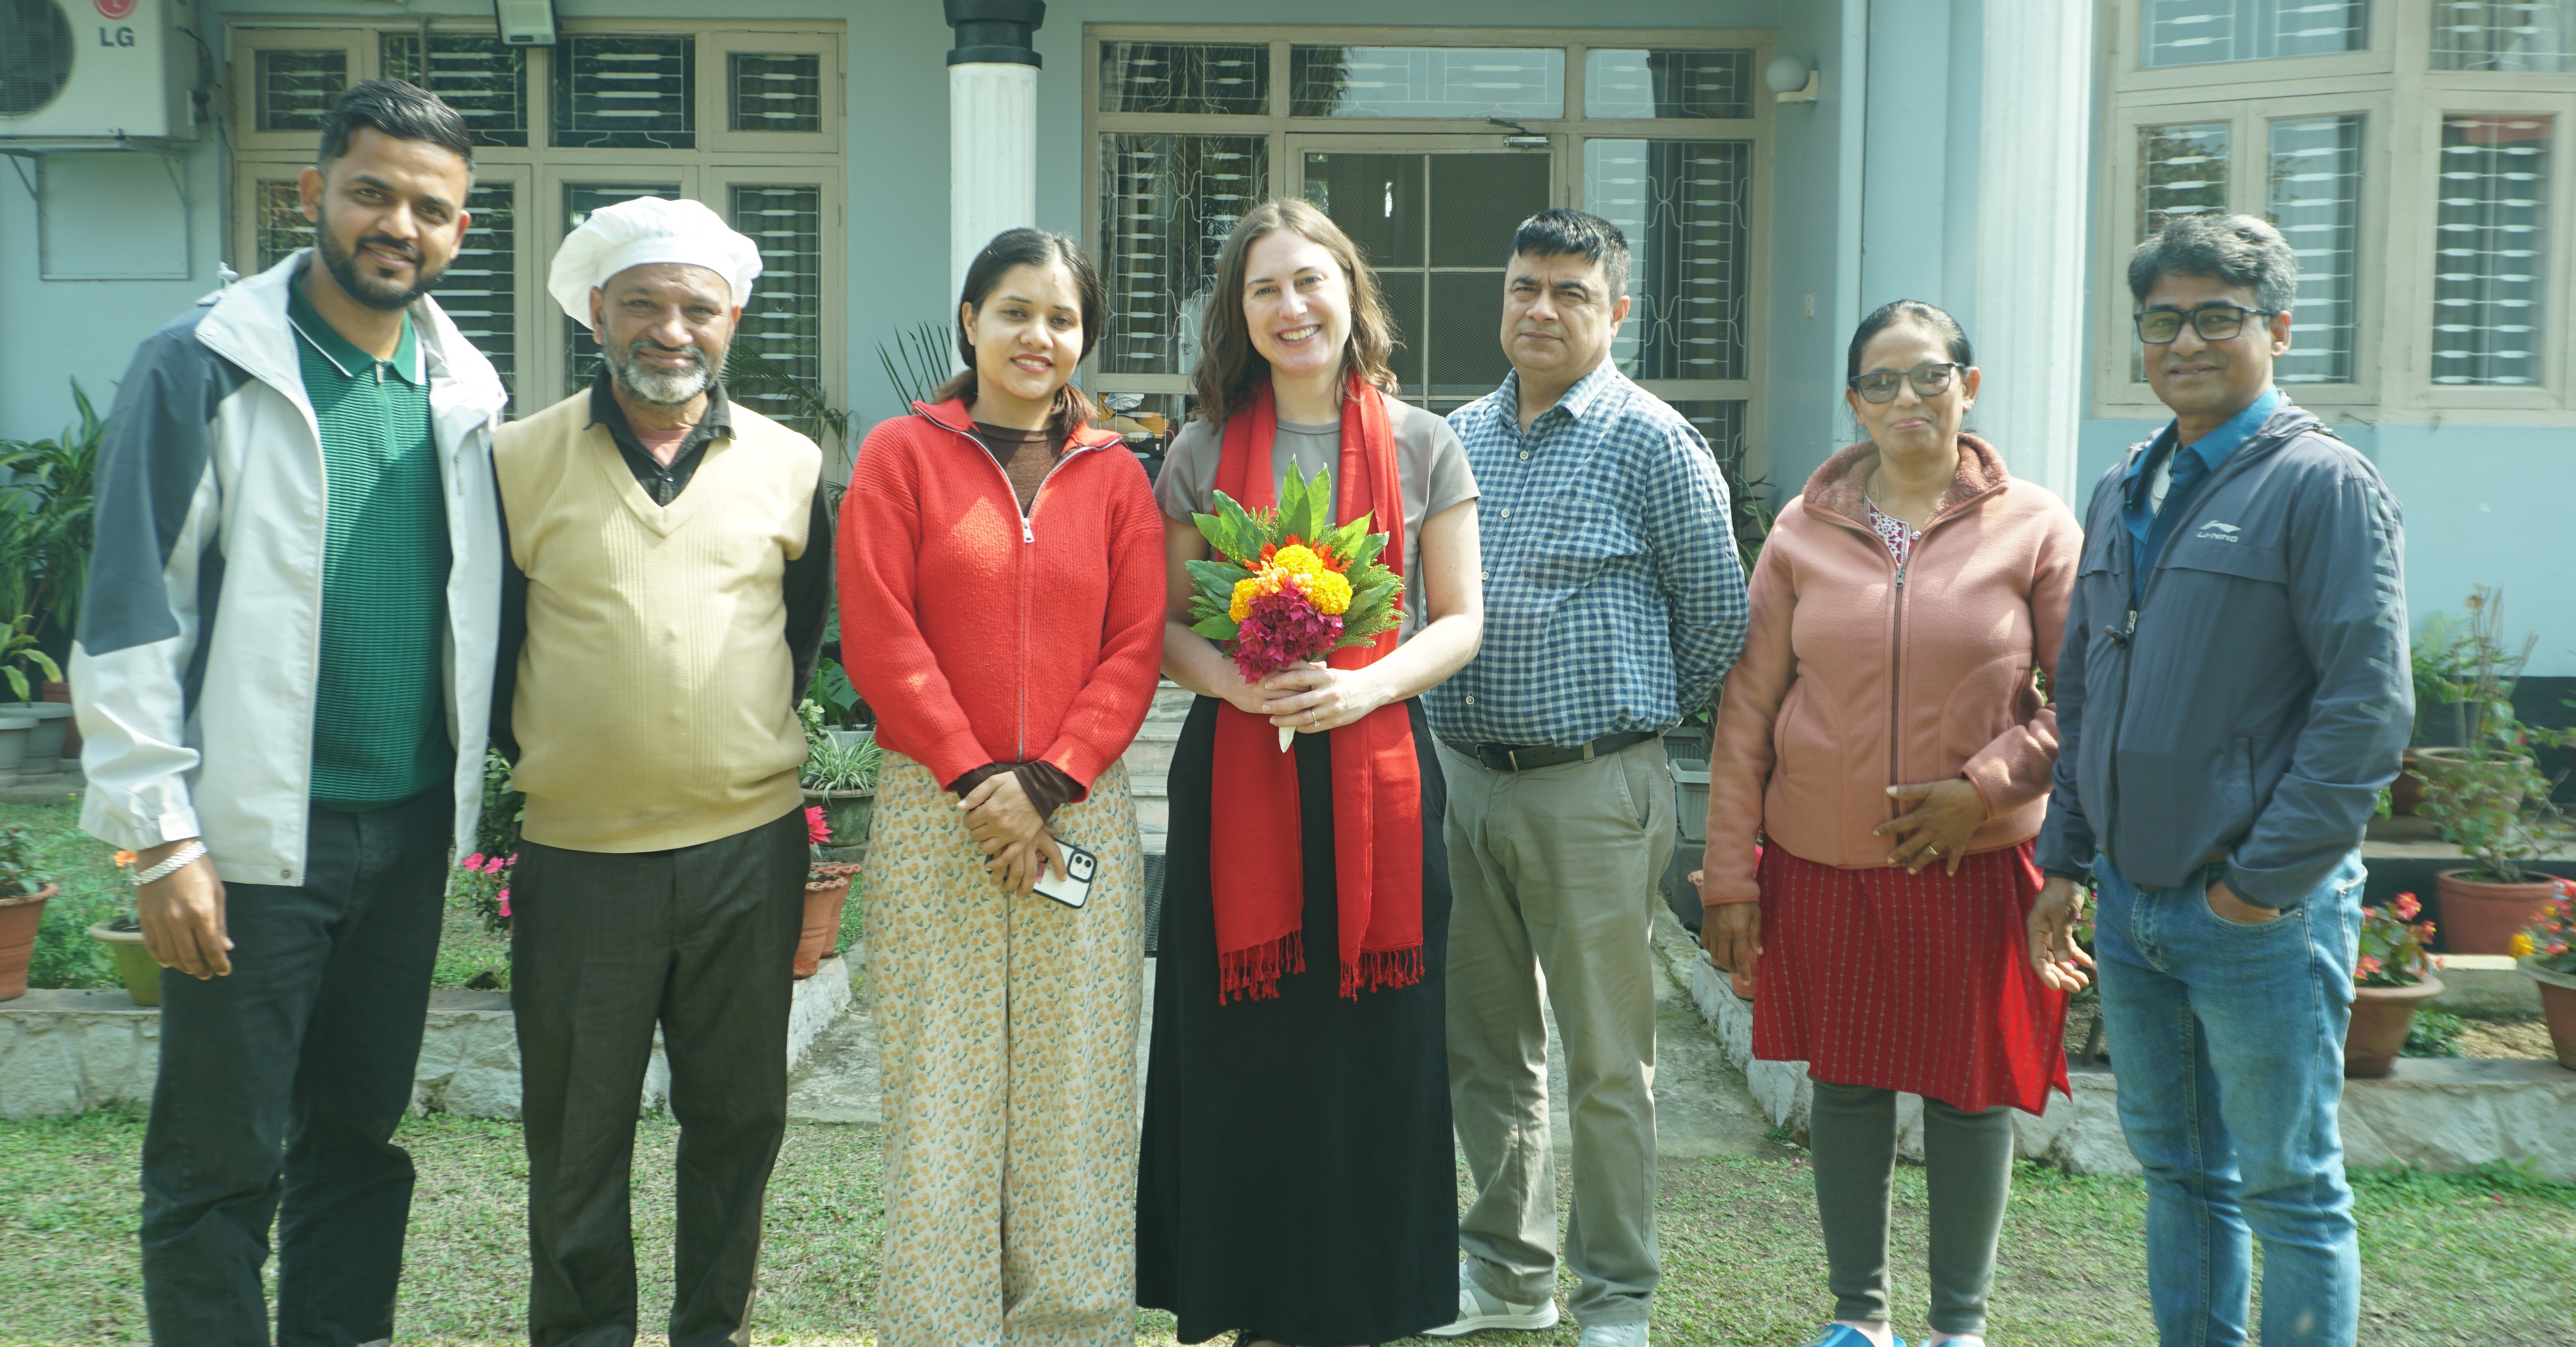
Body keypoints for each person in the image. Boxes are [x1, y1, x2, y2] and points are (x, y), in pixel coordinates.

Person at [70, 80, 507, 1345]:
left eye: (430, 208)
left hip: (406, 834)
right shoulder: (204, 364)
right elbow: (130, 611)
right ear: (311, 193)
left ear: (461, 230)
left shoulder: (466, 389)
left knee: (356, 1139)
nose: (398, 225)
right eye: (372, 192)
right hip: (250, 842)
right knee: (218, 1157)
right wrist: (161, 840)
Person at [2029, 214, 2409, 1347]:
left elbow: (2365, 709)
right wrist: (2067, 858)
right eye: (2162, 321)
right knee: (2180, 1173)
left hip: (2257, 918)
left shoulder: (2322, 485)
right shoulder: (2125, 486)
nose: (2185, 341)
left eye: (2215, 317)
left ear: (2277, 330)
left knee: (2290, 1185)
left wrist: (2259, 886)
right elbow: (2084, 688)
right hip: (2134, 904)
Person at [1136, 197, 1484, 1347]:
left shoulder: (1426, 442)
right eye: (1264, 289)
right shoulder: (1196, 453)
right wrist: (1246, 689)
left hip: (1377, 769)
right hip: (1240, 768)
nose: (1292, 307)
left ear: (1350, 292)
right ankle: (1249, 1301)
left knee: (1373, 1048)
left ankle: (1362, 1304)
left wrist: (1362, 688)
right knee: (1246, 1047)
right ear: (1238, 314)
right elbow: (1167, 625)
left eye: (1310, 281)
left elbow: (1460, 619)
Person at [1700, 301, 2080, 1347]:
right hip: (1824, 860)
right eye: (1883, 380)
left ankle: (1960, 1325)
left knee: (1970, 1094)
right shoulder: (1801, 531)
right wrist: (1730, 873)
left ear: (1970, 385)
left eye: (1930, 375)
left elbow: (2090, 698)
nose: (1908, 397)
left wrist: (1988, 785)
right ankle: (1859, 1317)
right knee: (1848, 1085)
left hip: (1975, 860)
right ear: (1854, 401)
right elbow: (1748, 710)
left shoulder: (2037, 524)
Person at [491, 194, 832, 1347]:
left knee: (738, 1119)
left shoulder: (791, 464)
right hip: (582, 859)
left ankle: (710, 1329)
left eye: (697, 307)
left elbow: (798, 636)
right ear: (598, 311)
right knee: (576, 1135)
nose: (670, 329)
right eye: (643, 303)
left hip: (747, 853)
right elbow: (492, 649)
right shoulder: (518, 460)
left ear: (732, 320)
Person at [840, 228, 1165, 1347]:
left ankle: (1073, 1325)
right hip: (939, 809)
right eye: (1015, 311)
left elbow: (1136, 645)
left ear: (1085, 337)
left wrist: (1050, 779)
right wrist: (981, 778)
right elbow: (880, 631)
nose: (1039, 335)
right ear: (970, 319)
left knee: (1080, 1083)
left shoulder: (1117, 473)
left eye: (1063, 317)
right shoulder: (901, 454)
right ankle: (941, 1328)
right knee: (941, 1081)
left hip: (1080, 808)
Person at [1426, 207, 1744, 1347]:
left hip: (1595, 790)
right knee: (1485, 1047)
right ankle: (1510, 1274)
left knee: (1608, 1059)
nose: (1542, 309)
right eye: (1526, 286)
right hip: (1462, 779)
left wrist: (1625, 728)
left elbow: (1718, 618)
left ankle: (1618, 1295)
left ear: (1619, 310)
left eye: (1571, 291)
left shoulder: (1654, 441)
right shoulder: (1457, 437)